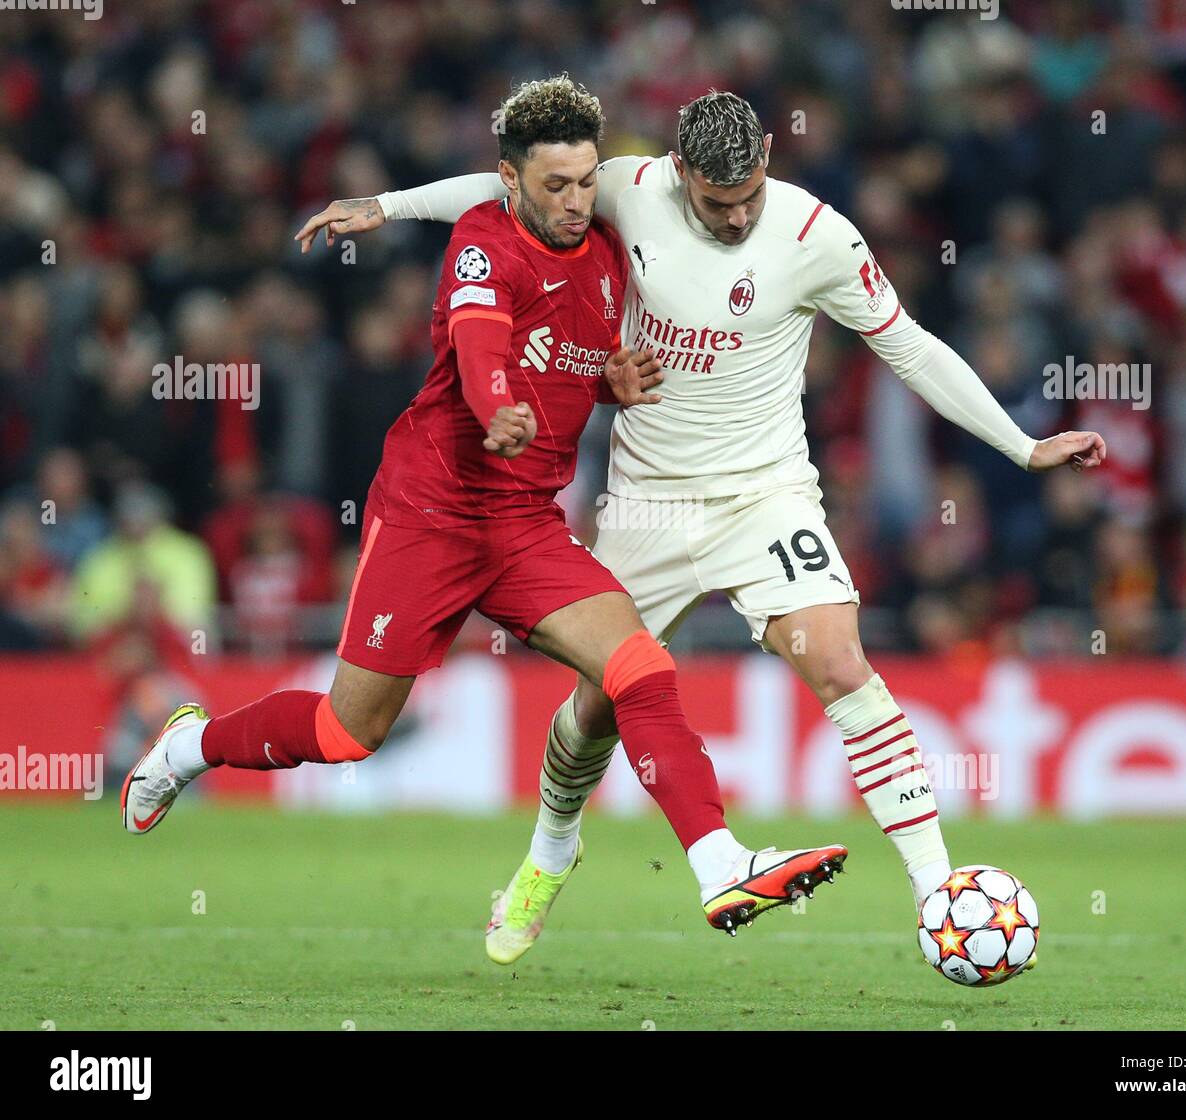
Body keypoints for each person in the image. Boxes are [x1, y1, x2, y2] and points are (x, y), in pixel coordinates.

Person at [295, 88, 1105, 962]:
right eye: (718, 203)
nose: (738, 214)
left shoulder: (818, 236)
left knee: (837, 657)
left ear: (766, 156)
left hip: (766, 495)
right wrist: (389, 206)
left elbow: (907, 343)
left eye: (750, 192)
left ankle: (935, 887)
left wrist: (1022, 447)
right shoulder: (625, 188)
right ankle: (549, 851)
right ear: (679, 175)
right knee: (599, 708)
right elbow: (504, 194)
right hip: (648, 499)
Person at [123, 78, 848, 963]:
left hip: (523, 523)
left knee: (641, 670)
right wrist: (497, 402)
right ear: (510, 182)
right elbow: (479, 343)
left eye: (587, 181)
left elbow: (573, 353)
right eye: (556, 186)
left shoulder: (612, 249)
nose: (577, 201)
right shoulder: (483, 242)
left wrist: (606, 381)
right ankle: (187, 749)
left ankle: (718, 862)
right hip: (431, 511)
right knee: (349, 732)